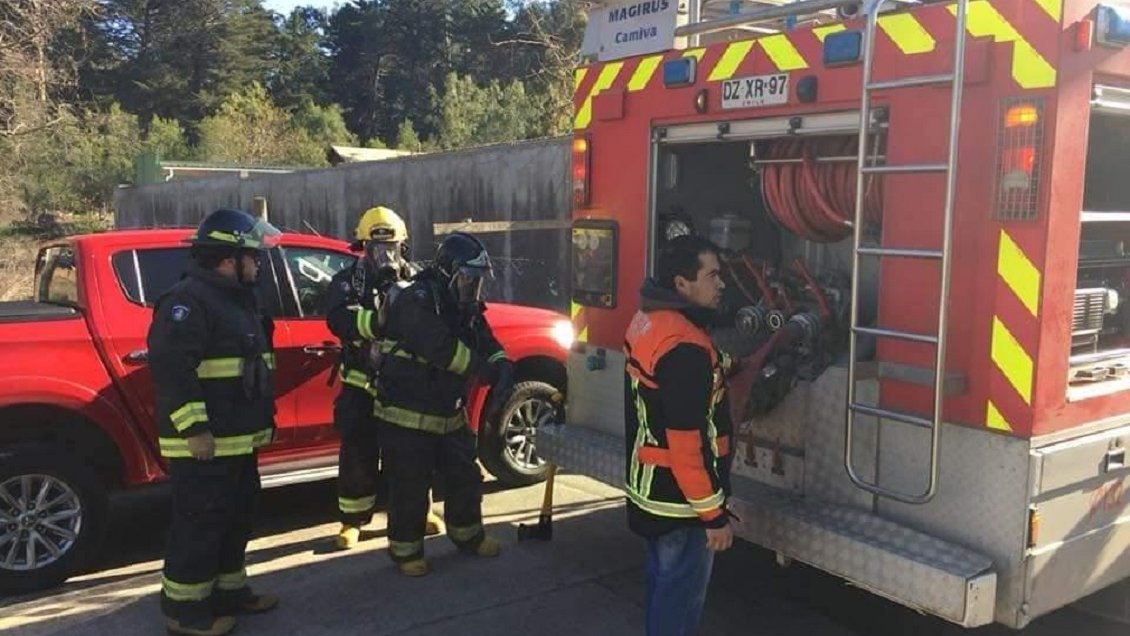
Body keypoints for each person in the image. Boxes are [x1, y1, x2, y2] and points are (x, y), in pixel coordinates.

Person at [148, 208, 281, 636]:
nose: (258, 263)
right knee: (199, 526)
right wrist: (195, 429)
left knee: (235, 520)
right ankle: (185, 613)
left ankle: (230, 594)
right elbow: (172, 370)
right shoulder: (188, 302)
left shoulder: (236, 299)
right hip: (206, 443)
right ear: (228, 259)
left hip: (236, 439)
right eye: (253, 256)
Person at [374, 232, 515, 576]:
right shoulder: (417, 299)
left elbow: (484, 338)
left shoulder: (464, 306)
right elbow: (441, 348)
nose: (473, 287)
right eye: (468, 279)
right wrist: (482, 370)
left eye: (477, 281)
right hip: (407, 412)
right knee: (410, 484)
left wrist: (501, 364)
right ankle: (406, 551)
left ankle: (469, 535)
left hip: (448, 410)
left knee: (465, 475)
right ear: (448, 273)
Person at [623, 234, 734, 636]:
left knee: (663, 584)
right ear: (682, 284)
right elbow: (687, 448)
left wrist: (720, 366)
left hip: (651, 493)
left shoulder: (650, 319)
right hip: (680, 504)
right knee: (679, 602)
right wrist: (714, 517)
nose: (722, 284)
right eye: (712, 276)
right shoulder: (686, 350)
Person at [324, 205, 444, 549]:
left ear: (402, 246)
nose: (384, 256)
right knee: (357, 455)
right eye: (376, 248)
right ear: (363, 247)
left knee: (412, 455)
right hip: (360, 385)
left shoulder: (419, 281)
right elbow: (339, 320)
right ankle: (353, 521)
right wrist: (376, 322)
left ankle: (421, 511)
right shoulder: (347, 282)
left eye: (390, 247)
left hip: (405, 386)